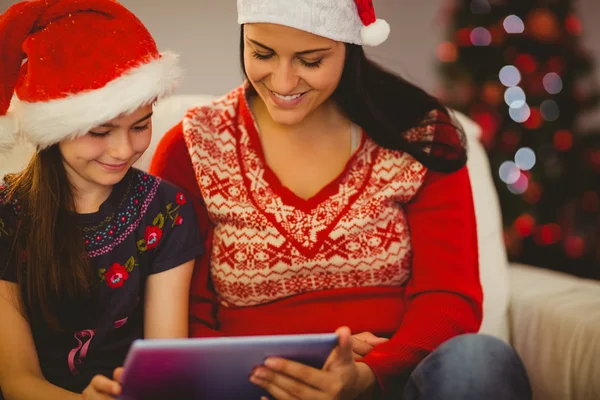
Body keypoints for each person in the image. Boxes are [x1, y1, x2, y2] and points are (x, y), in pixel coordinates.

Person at [150, 0, 532, 399]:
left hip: (392, 382)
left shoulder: (420, 134)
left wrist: (369, 374)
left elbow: (448, 299)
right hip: (255, 389)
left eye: (310, 61)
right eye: (262, 53)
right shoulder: (193, 149)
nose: (282, 82)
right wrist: (283, 373)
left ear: (349, 47)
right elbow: (180, 319)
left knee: (480, 361)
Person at [0, 1, 203, 399]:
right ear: (57, 127)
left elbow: (165, 366)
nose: (123, 150)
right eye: (99, 132)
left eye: (141, 126)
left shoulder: (166, 210)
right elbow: (16, 380)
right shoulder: (8, 216)